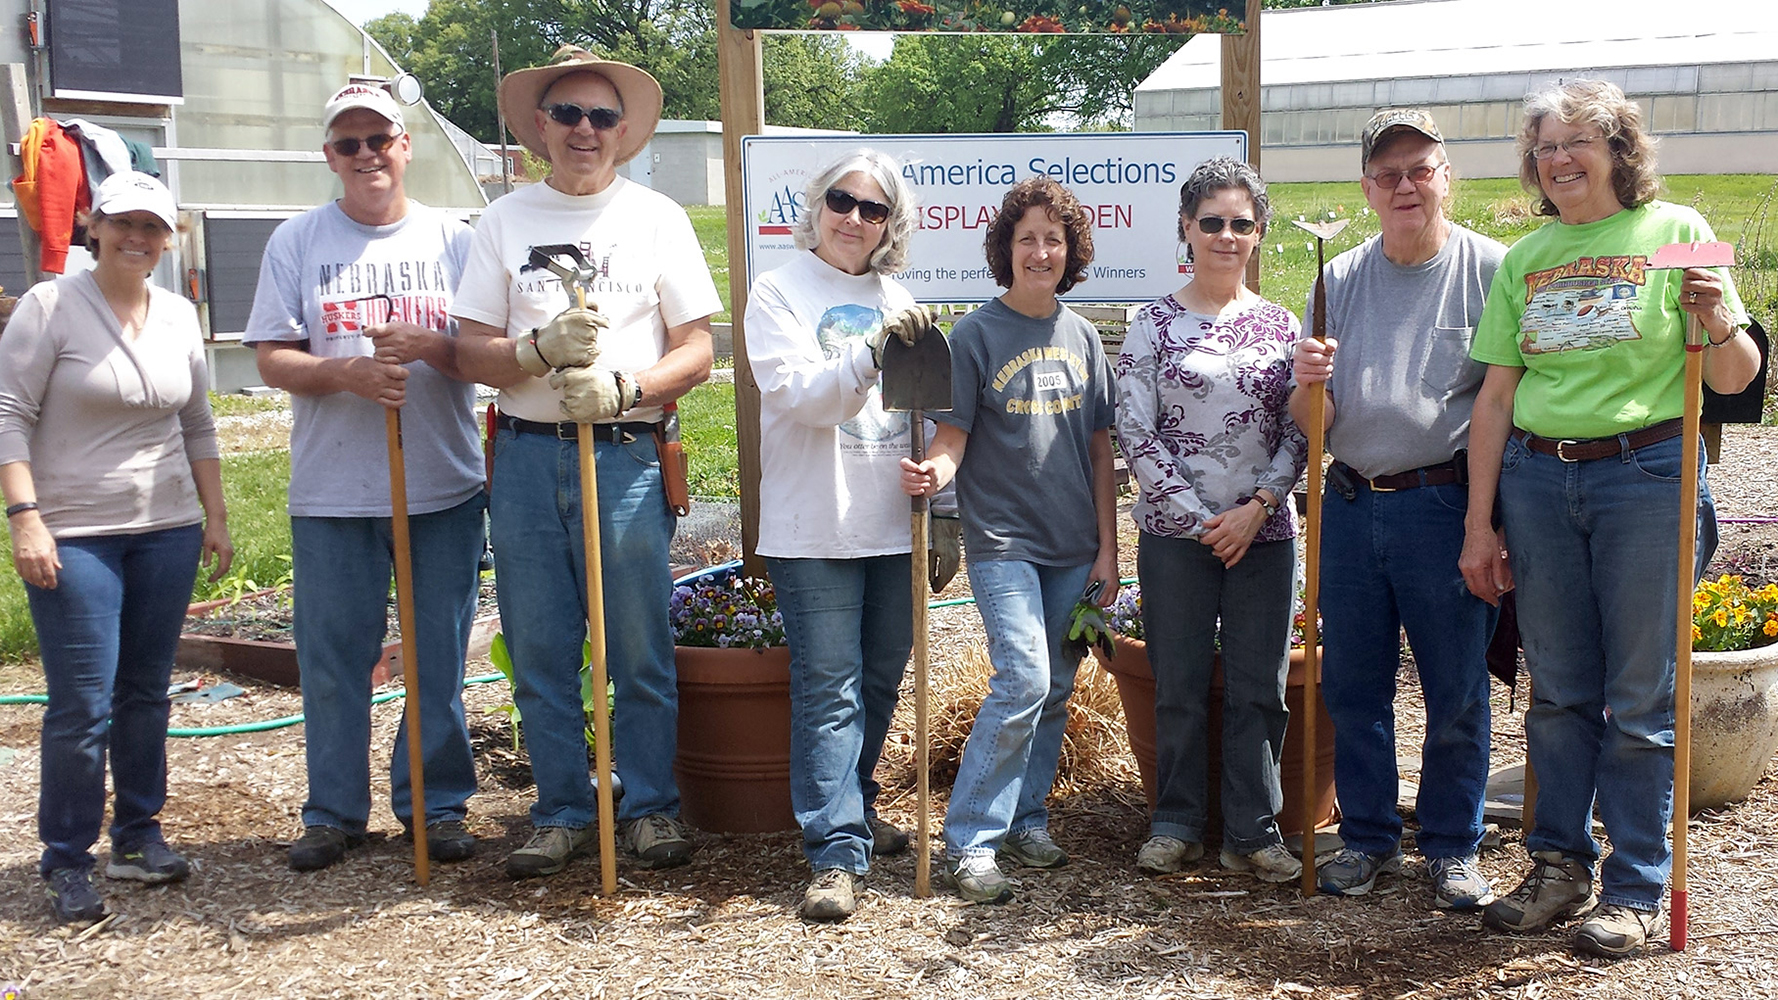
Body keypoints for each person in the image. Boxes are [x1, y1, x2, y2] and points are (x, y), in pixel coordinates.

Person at [1461, 79, 1758, 957]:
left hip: (1648, 475)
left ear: (1619, 152)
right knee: (1557, 690)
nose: (1559, 161)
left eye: (1577, 143)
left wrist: (1719, 314)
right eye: (1545, 148)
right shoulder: (1527, 259)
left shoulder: (1676, 233)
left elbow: (1735, 378)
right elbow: (1495, 399)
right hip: (1541, 481)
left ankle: (1632, 886)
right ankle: (1558, 864)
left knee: (1639, 697)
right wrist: (1481, 524)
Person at [449, 46, 720, 878]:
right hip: (528, 460)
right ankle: (564, 809)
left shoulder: (658, 219)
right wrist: (534, 351)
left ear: (624, 131)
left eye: (602, 117)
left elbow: (699, 349)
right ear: (540, 126)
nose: (585, 130)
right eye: (568, 114)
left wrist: (625, 384)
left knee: (636, 647)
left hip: (627, 453)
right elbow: (467, 353)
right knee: (539, 647)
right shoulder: (503, 221)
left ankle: (648, 808)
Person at [245, 83, 486, 872]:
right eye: (349, 145)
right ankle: (334, 813)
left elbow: (483, 354)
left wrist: (430, 349)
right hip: (332, 492)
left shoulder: (454, 239)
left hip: (441, 486)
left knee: (438, 656)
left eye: (379, 140)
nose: (366, 156)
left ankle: (437, 804)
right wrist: (346, 372)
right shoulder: (297, 242)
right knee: (336, 658)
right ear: (330, 157)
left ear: (405, 145)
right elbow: (272, 355)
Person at [1290, 109, 1509, 909]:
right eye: (1389, 175)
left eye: (1420, 169)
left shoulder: (1493, 270)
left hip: (1442, 504)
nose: (1406, 186)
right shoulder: (1337, 278)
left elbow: (1507, 401)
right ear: (1366, 190)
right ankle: (1369, 838)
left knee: (1456, 689)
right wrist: (1306, 385)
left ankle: (1453, 846)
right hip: (1349, 504)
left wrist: (1489, 523)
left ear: (1446, 176)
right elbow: (1313, 423)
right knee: (1354, 687)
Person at [0, 171, 232, 922]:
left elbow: (197, 422)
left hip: (165, 528)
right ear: (93, 226)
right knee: (82, 705)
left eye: (154, 228)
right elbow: (8, 413)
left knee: (145, 692)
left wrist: (216, 514)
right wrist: (24, 517)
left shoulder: (176, 313)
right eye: (125, 224)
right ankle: (66, 857)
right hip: (75, 533)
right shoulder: (51, 306)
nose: (139, 239)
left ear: (170, 238)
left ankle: (138, 835)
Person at [901, 176, 1118, 904]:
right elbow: (953, 435)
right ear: (1006, 248)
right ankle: (970, 841)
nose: (1040, 251)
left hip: (1073, 542)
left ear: (1070, 251)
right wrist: (934, 471)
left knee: (1054, 688)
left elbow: (1099, 451)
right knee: (1023, 678)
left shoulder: (1083, 335)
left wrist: (1109, 550)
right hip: (1003, 543)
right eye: (1026, 238)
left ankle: (1027, 820)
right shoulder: (976, 334)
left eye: (1053, 239)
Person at [745, 149, 939, 920]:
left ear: (893, 224)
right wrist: (870, 348)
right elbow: (804, 397)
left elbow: (921, 412)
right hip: (812, 523)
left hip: (890, 521)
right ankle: (833, 854)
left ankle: (853, 806)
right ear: (817, 204)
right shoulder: (777, 291)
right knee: (828, 690)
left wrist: (941, 509)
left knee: (879, 680)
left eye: (874, 208)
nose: (855, 218)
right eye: (842, 200)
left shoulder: (901, 296)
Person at [1117, 157, 1308, 883]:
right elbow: (1137, 429)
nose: (1226, 235)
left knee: (1260, 687)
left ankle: (1254, 830)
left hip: (1265, 534)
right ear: (1186, 230)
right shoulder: (1153, 324)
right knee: (1179, 682)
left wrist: (1256, 509)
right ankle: (1175, 821)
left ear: (1258, 233)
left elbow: (1299, 428)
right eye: (1211, 223)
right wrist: (1203, 520)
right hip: (1177, 537)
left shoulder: (1282, 324)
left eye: (1241, 223)